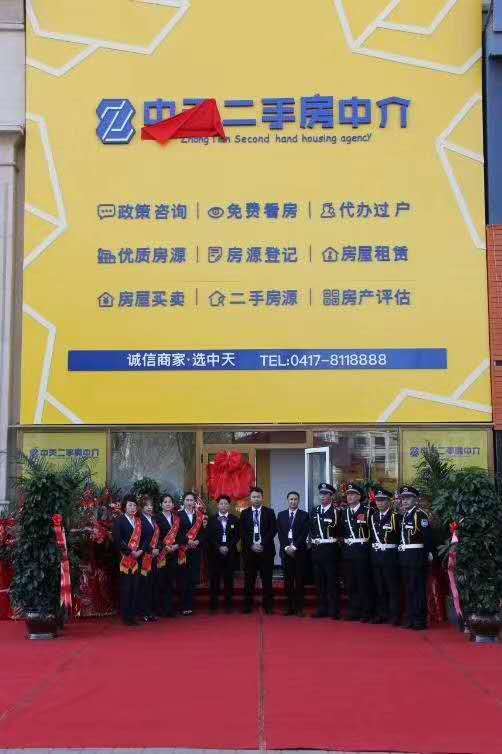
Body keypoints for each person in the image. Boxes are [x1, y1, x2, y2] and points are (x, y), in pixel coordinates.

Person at [398, 485, 435, 630]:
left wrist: (428, 554)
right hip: (405, 556)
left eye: (408, 498)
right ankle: (411, 618)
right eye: (403, 498)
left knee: (417, 588)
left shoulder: (420, 515)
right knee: (408, 588)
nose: (405, 501)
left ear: (415, 499)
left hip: (417, 555)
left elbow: (428, 537)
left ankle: (419, 620)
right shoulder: (404, 515)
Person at [240, 486, 277, 614]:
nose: (256, 499)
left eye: (258, 497)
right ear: (250, 498)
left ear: (262, 498)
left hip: (266, 551)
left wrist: (262, 543)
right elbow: (242, 531)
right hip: (249, 552)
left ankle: (269, 605)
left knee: (267, 580)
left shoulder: (269, 512)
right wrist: (251, 544)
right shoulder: (244, 513)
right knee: (249, 579)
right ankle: (247, 605)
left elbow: (273, 530)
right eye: (253, 497)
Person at [340, 482, 373, 621]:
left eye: (353, 494)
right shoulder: (344, 512)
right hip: (348, 552)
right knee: (351, 583)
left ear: (359, 496)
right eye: (348, 494)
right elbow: (341, 532)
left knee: (363, 582)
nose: (349, 496)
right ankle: (354, 610)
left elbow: (373, 532)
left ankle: (366, 612)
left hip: (362, 551)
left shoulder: (368, 511)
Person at [369, 487, 401, 625]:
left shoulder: (395, 517)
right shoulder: (373, 517)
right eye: (378, 500)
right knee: (379, 586)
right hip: (376, 556)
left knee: (392, 587)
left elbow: (400, 537)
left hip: (390, 556)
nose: (380, 503)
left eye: (382, 500)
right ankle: (382, 613)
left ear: (389, 501)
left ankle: (395, 615)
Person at [309, 483, 340, 619]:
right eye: (321, 494)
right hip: (317, 550)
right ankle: (322, 608)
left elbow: (340, 531)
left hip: (330, 550)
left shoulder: (336, 512)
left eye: (325, 494)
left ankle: (334, 609)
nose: (322, 496)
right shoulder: (314, 511)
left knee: (331, 581)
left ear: (331, 496)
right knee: (319, 582)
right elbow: (311, 528)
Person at [277, 491, 310, 616]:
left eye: (295, 499)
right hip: (286, 553)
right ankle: (289, 607)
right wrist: (287, 547)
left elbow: (304, 533)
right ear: (288, 500)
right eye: (291, 499)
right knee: (288, 581)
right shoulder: (281, 515)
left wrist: (294, 547)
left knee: (299, 581)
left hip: (299, 552)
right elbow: (280, 533)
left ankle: (299, 608)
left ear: (298, 501)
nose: (293, 501)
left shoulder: (304, 515)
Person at [112, 493, 142, 626]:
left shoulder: (138, 521)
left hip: (137, 558)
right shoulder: (119, 521)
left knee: (135, 586)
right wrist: (130, 552)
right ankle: (126, 616)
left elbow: (144, 538)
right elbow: (118, 539)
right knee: (126, 587)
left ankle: (133, 614)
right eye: (130, 505)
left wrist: (140, 551)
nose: (132, 508)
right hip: (124, 559)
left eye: (134, 505)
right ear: (124, 506)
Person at [206, 495, 240, 612]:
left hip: (230, 553)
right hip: (215, 554)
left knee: (228, 579)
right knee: (214, 579)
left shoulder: (234, 519)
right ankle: (213, 605)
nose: (223, 506)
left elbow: (237, 536)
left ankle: (228, 605)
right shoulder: (212, 519)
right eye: (221, 503)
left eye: (226, 504)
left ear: (229, 506)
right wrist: (219, 547)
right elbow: (209, 536)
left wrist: (228, 547)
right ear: (218, 505)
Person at [178, 491, 207, 615]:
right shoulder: (178, 515)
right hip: (183, 551)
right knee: (183, 578)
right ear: (183, 501)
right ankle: (183, 605)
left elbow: (204, 533)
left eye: (191, 500)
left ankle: (190, 604)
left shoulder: (200, 516)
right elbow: (176, 533)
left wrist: (198, 541)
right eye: (187, 500)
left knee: (192, 578)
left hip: (195, 550)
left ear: (195, 502)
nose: (189, 502)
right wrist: (187, 541)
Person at [155, 494, 181, 617]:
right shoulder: (156, 518)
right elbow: (155, 536)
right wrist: (164, 547)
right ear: (161, 504)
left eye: (169, 501)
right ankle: (159, 608)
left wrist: (176, 546)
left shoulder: (176, 518)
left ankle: (169, 608)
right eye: (165, 502)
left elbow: (181, 535)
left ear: (173, 504)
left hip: (173, 553)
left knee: (171, 581)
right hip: (161, 554)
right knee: (160, 581)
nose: (168, 504)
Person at [137, 495, 160, 623]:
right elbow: (140, 540)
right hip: (144, 556)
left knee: (152, 584)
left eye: (151, 505)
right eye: (146, 506)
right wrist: (151, 550)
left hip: (154, 557)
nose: (149, 507)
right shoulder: (139, 520)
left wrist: (158, 548)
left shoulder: (154, 519)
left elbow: (159, 537)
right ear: (141, 507)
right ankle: (143, 612)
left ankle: (151, 611)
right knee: (144, 584)